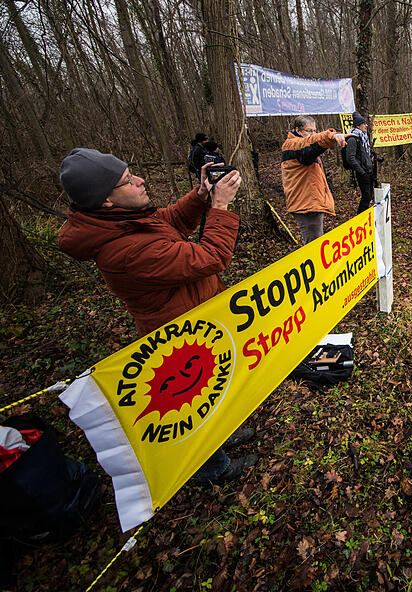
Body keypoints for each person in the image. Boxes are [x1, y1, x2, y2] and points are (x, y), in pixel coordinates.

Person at [57, 148, 257, 484]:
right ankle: (212, 469)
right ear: (106, 200)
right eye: (128, 181)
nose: (140, 180)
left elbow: (170, 221)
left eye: (132, 172)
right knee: (193, 401)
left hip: (200, 318)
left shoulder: (122, 223)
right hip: (178, 336)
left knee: (214, 390)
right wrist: (220, 207)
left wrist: (201, 195)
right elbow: (209, 257)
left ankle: (222, 436)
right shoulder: (123, 251)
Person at [280, 116, 349, 244]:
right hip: (306, 204)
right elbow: (310, 145)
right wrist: (330, 137)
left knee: (316, 243)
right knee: (314, 246)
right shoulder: (293, 145)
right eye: (309, 131)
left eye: (314, 131)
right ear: (298, 130)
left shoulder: (299, 145)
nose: (313, 134)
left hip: (310, 202)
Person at [344, 111, 375, 214]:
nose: (366, 125)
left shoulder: (363, 137)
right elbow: (350, 158)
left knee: (369, 196)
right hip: (362, 172)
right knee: (366, 197)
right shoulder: (353, 139)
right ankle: (360, 218)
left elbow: (364, 154)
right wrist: (361, 171)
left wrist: (372, 158)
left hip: (368, 170)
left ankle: (366, 217)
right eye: (364, 123)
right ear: (358, 125)